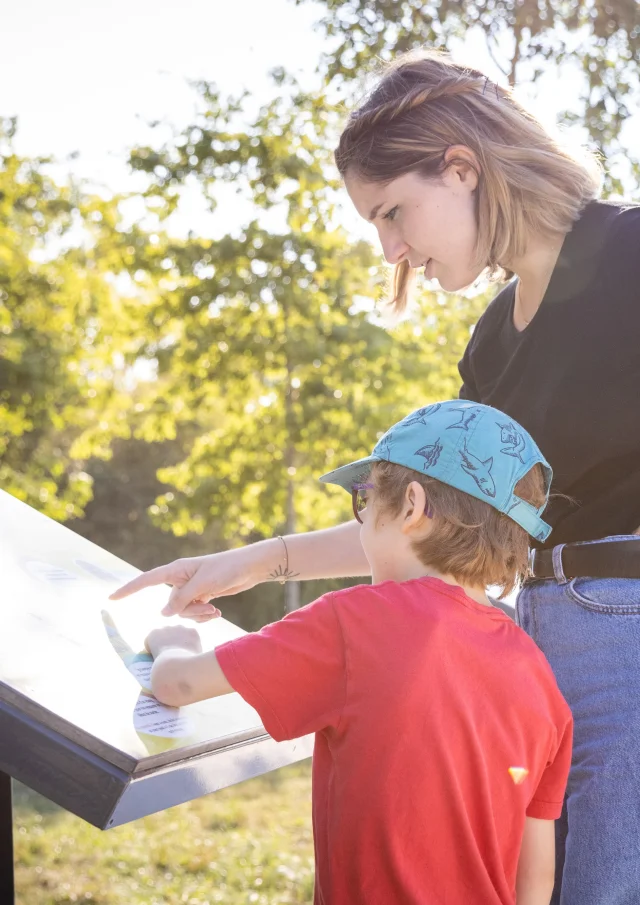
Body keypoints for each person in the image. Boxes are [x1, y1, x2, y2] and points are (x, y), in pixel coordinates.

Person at [110, 50, 640, 904]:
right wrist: (251, 562)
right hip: (528, 641)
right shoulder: (493, 341)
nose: (392, 248)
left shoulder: (629, 251)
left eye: (394, 212)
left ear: (462, 167)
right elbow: (433, 519)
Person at [140, 400, 572, 905]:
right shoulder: (540, 678)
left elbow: (178, 685)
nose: (362, 515)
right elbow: (536, 880)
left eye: (364, 497)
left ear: (411, 507)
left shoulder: (355, 622)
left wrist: (171, 642)